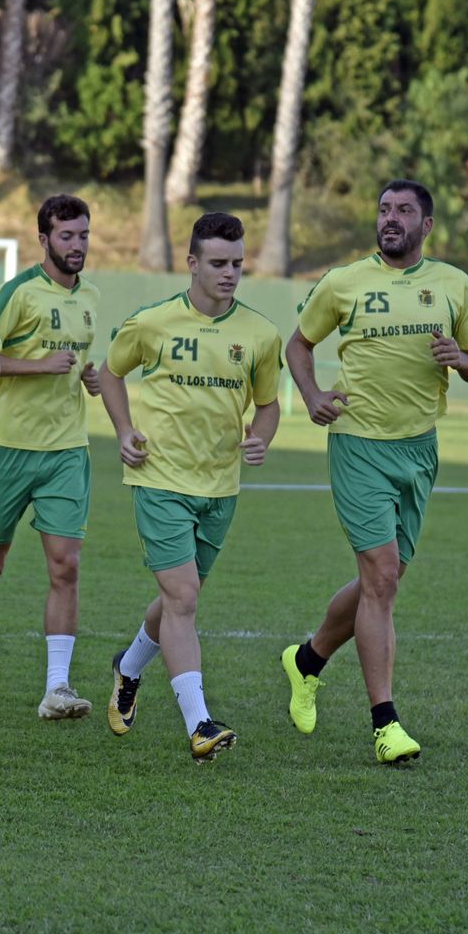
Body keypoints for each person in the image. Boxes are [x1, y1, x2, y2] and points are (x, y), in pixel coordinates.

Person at [279, 178, 468, 765]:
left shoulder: (455, 287)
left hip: (419, 450)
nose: (390, 218)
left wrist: (461, 359)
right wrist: (311, 394)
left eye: (403, 211)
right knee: (381, 576)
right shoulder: (344, 282)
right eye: (384, 209)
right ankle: (385, 723)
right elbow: (297, 345)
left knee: (386, 578)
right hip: (357, 445)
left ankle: (307, 661)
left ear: (426, 225)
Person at [97, 212, 282, 763]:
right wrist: (125, 430)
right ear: (193, 263)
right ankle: (199, 723)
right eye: (219, 264)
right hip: (159, 480)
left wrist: (261, 439)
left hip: (220, 488)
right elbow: (110, 374)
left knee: (177, 599)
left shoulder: (260, 334)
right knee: (184, 598)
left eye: (238, 264)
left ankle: (128, 668)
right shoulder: (151, 323)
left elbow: (268, 406)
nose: (230, 274)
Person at [0, 194, 102, 719]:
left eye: (83, 235)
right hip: (8, 447)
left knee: (66, 564)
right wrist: (39, 366)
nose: (76, 245)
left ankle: (57, 688)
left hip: (67, 450)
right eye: (66, 235)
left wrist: (90, 377)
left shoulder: (92, 297)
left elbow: (80, 363)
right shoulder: (19, 293)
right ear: (44, 238)